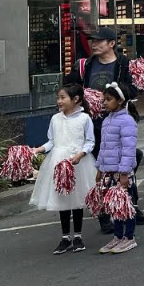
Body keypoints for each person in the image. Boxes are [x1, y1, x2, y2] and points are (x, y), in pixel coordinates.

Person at [63, 27, 144, 231]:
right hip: (92, 123)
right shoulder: (86, 64)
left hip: (116, 121)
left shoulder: (124, 64)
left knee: (128, 160)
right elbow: (71, 87)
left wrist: (112, 94)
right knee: (101, 166)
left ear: (111, 43)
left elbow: (132, 90)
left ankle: (129, 206)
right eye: (93, 41)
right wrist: (84, 97)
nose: (94, 44)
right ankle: (103, 212)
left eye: (99, 41)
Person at [29, 84, 96, 254]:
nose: (59, 101)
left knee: (78, 199)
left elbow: (90, 141)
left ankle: (78, 236)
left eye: (63, 97)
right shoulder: (55, 119)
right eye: (58, 97)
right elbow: (51, 141)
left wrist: (81, 154)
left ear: (75, 99)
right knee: (62, 199)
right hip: (58, 162)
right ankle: (65, 237)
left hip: (78, 163)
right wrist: (38, 150)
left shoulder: (84, 119)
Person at [96, 82, 140, 254]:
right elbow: (103, 147)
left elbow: (129, 149)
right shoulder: (107, 121)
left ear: (120, 101)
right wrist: (99, 168)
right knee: (115, 206)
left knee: (126, 205)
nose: (105, 103)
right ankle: (118, 235)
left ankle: (129, 237)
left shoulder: (127, 121)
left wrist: (124, 173)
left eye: (109, 99)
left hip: (122, 172)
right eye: (104, 99)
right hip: (109, 171)